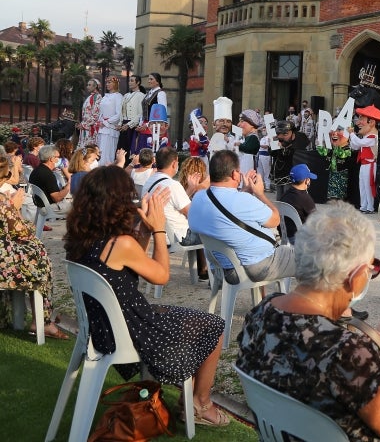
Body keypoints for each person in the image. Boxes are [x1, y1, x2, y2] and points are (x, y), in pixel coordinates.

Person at [236, 201, 380, 441]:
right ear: (356, 276)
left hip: (290, 431)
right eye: (371, 269)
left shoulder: (260, 314)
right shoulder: (348, 353)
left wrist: (370, 340)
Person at [64, 166, 229, 427]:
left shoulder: (82, 237)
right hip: (132, 329)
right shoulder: (119, 243)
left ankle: (190, 399)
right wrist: (159, 230)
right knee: (214, 325)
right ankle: (200, 403)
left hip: (103, 327)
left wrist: (145, 229)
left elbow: (132, 261)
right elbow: (161, 276)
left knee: (188, 318)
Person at [188, 150, 293, 284]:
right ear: (234, 174)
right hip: (256, 266)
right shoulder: (243, 200)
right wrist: (260, 194)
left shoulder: (198, 197)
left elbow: (226, 205)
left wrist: (245, 191)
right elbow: (275, 220)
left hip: (221, 268)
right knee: (311, 258)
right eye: (239, 171)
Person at [0, 154, 69, 339]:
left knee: (36, 254)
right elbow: (23, 232)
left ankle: (38, 320)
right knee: (40, 264)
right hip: (3, 262)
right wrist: (14, 208)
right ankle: (43, 322)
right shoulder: (3, 201)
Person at [141, 147, 200, 245]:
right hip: (180, 237)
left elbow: (173, 204)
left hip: (158, 234)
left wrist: (190, 189)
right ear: (174, 163)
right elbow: (192, 214)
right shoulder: (173, 185)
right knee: (211, 233)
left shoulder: (149, 182)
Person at [175, 156, 211, 280]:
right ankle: (206, 269)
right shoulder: (199, 192)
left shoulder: (179, 188)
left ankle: (203, 268)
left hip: (179, 231)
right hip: (188, 232)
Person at [350, 105, 380, 213]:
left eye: (362, 119)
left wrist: (352, 134)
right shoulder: (366, 137)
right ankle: (363, 206)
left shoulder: (373, 137)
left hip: (370, 164)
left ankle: (370, 207)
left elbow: (360, 143)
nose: (358, 123)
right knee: (362, 186)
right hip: (363, 164)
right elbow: (355, 146)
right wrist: (351, 136)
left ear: (371, 122)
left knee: (368, 186)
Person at [280, 163, 317, 243]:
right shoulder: (306, 199)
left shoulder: (285, 195)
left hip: (285, 235)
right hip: (300, 240)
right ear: (306, 180)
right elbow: (316, 221)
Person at [29, 145, 72, 213]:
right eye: (57, 157)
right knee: (79, 205)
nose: (58, 160)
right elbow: (57, 198)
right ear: (51, 159)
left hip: (40, 204)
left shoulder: (36, 170)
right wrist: (69, 186)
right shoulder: (47, 174)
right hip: (50, 207)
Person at [271, 120, 308, 196]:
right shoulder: (277, 140)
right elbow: (273, 154)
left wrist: (283, 148)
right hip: (279, 173)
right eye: (278, 133)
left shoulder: (299, 141)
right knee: (279, 197)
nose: (281, 136)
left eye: (285, 134)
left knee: (288, 197)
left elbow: (292, 155)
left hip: (291, 175)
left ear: (292, 133)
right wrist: (273, 146)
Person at [97, 76, 123, 166]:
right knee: (100, 151)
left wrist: (106, 122)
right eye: (107, 82)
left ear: (115, 84)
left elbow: (119, 114)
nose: (107, 84)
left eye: (109, 82)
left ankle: (107, 169)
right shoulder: (105, 96)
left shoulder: (118, 96)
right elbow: (101, 112)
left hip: (111, 128)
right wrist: (100, 121)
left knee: (107, 153)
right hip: (102, 128)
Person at [118, 74, 145, 156]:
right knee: (121, 149)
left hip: (132, 126)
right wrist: (120, 123)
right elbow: (122, 111)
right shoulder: (126, 95)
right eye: (129, 80)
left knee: (130, 149)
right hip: (124, 124)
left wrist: (129, 125)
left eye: (132, 81)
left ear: (138, 82)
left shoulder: (141, 95)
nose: (129, 82)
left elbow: (140, 114)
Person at [77, 78, 103, 148]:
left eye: (89, 85)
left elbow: (96, 115)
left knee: (89, 149)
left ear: (95, 86)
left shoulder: (98, 97)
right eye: (87, 85)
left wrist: (84, 124)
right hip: (85, 127)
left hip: (91, 129)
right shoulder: (90, 97)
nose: (87, 87)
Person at [236, 109, 262, 175]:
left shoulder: (253, 137)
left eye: (242, 121)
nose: (238, 124)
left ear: (252, 124)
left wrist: (238, 145)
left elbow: (248, 148)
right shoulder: (247, 137)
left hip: (248, 170)